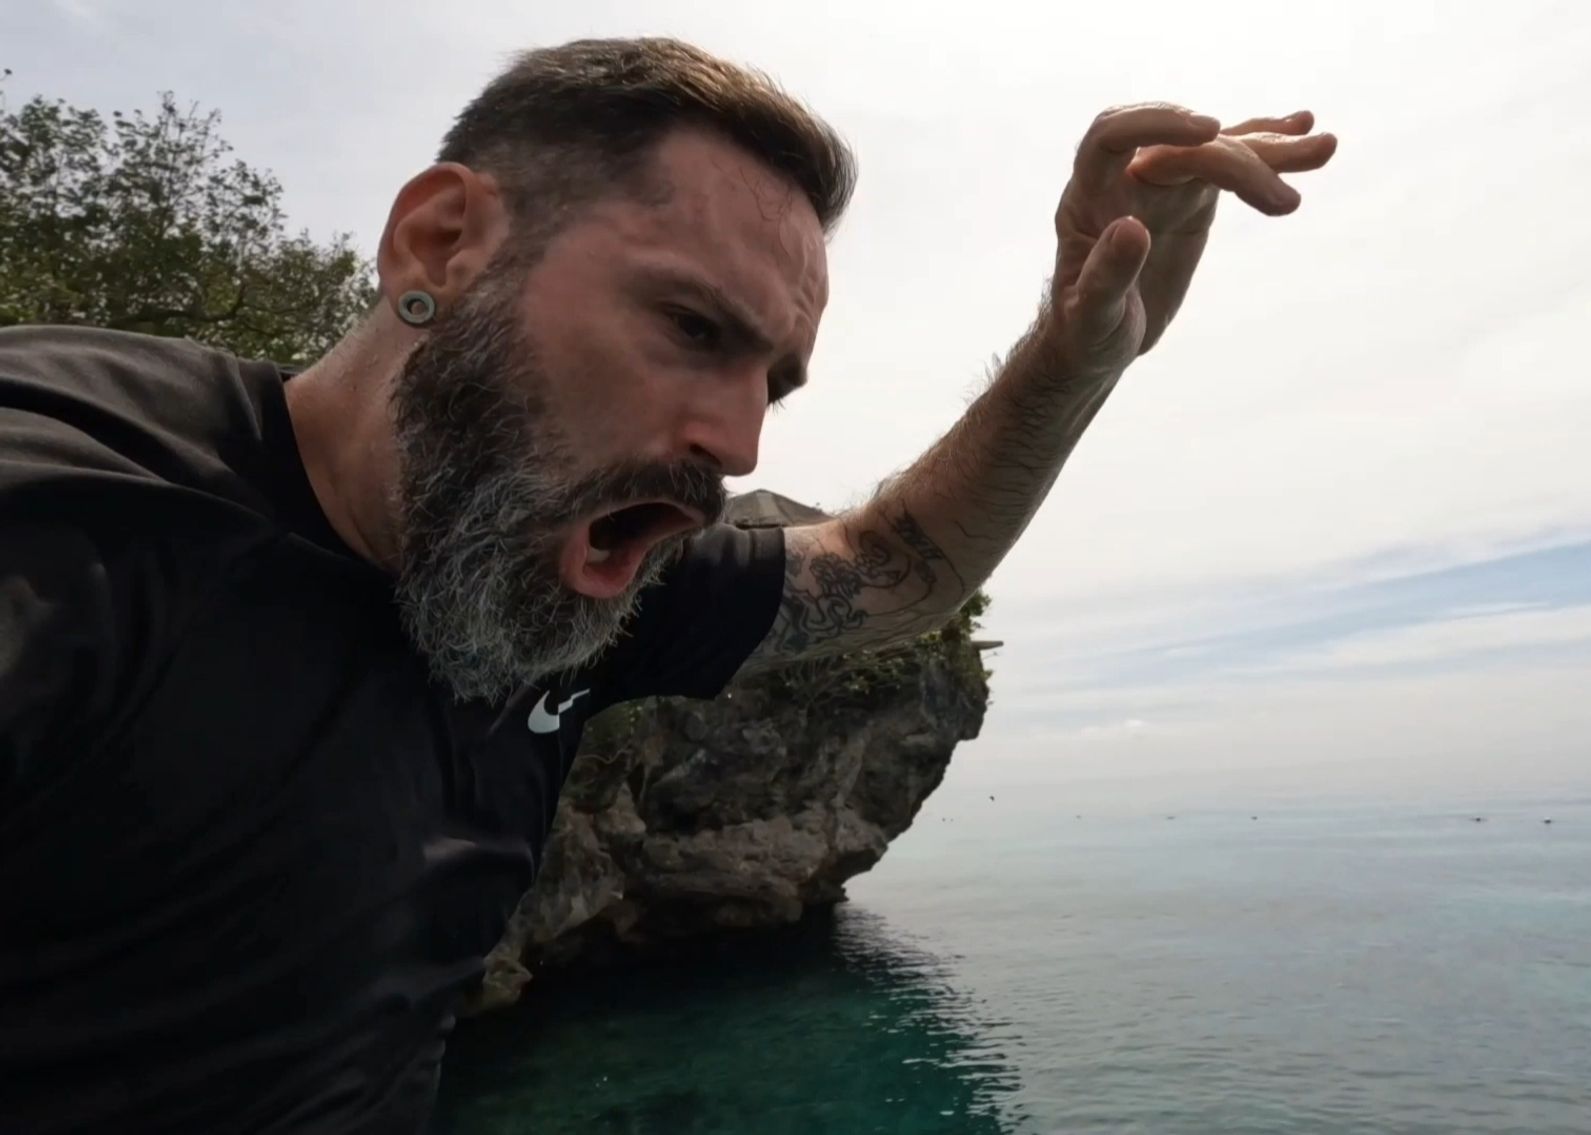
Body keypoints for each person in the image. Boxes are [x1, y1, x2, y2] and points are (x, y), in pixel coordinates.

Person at [0, 36, 1334, 1134]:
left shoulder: (562, 594)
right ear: (442, 244)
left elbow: (893, 569)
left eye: (773, 381)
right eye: (691, 329)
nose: (741, 442)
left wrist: (1082, 354)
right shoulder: (78, 524)